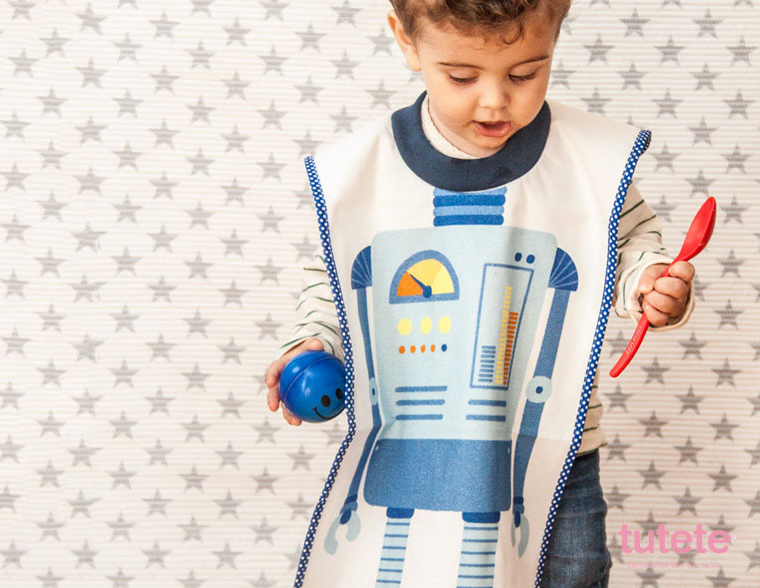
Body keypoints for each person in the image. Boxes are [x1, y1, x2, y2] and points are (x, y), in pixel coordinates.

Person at [264, 1, 696, 587]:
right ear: (407, 41)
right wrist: (313, 341)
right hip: (416, 444)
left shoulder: (586, 164)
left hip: (555, 453)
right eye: (463, 77)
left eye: (525, 73)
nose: (495, 101)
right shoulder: (367, 171)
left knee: (572, 572)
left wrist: (649, 284)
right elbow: (338, 279)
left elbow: (623, 248)